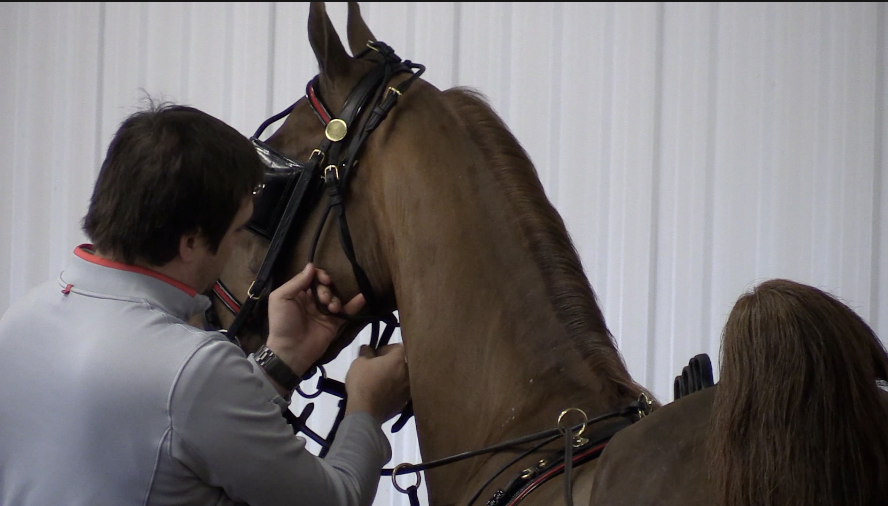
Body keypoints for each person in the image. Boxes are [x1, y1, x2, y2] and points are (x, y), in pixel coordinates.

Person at [0, 101, 410, 506]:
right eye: (237, 231)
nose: (237, 248)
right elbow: (334, 500)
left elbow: (173, 428)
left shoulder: (19, 321)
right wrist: (367, 409)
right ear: (191, 242)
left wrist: (282, 359)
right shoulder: (195, 366)